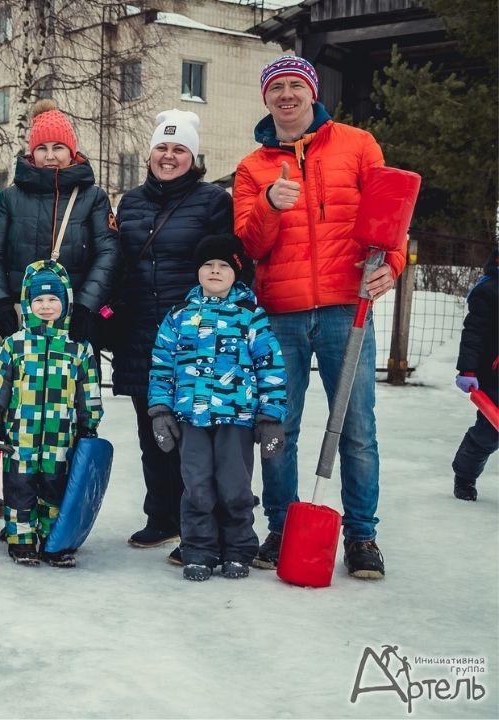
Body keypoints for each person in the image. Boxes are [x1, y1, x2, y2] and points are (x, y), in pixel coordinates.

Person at [234, 55, 402, 579]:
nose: (286, 95)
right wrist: (268, 204)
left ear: (312, 93)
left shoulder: (358, 144)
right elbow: (249, 244)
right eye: (276, 88)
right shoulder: (251, 167)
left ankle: (361, 536)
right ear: (265, 98)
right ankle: (282, 526)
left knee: (355, 427)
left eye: (294, 86)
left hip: (344, 308)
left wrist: (392, 265)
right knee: (278, 427)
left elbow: (390, 214)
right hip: (279, 314)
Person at [110, 109, 232, 560]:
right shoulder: (131, 203)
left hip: (195, 335)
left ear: (193, 157)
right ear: (149, 153)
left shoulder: (213, 202)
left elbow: (226, 265)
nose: (168, 155)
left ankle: (198, 523)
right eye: (162, 146)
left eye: (179, 149)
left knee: (195, 432)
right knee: (151, 431)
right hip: (143, 329)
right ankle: (161, 517)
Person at [147, 234, 288, 581]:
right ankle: (198, 549)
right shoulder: (179, 316)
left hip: (236, 419)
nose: (214, 271)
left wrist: (270, 416)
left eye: (223, 265)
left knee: (234, 486)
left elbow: (271, 366)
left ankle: (238, 549)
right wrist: (161, 411)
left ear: (235, 272)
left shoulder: (250, 316)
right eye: (207, 265)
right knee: (196, 485)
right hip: (191, 417)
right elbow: (162, 365)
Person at [0, 260, 102, 568]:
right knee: (19, 486)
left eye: (53, 300)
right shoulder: (14, 344)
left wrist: (90, 422)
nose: (46, 306)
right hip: (20, 431)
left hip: (61, 432)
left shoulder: (78, 346)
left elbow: (89, 389)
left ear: (65, 302)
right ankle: (20, 539)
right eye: (38, 300)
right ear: (27, 303)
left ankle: (53, 539)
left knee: (55, 485)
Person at [0, 99, 120, 346]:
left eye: (58, 147)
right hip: (20, 320)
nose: (49, 156)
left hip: (74, 321)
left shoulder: (93, 198)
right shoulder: (10, 198)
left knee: (72, 385)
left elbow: (107, 253)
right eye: (41, 148)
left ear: (71, 151)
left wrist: (86, 306)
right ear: (32, 153)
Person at [451, 248, 498, 501]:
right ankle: (465, 476)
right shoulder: (489, 290)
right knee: (489, 433)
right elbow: (474, 333)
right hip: (495, 376)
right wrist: (468, 369)